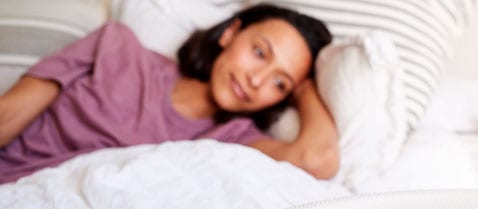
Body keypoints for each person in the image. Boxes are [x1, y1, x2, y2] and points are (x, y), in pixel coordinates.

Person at [0, 3, 339, 185]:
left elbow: (317, 160)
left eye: (278, 83)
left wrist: (305, 87)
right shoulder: (117, 47)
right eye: (260, 53)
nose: (256, 80)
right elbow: (8, 113)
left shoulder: (232, 140)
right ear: (230, 33)